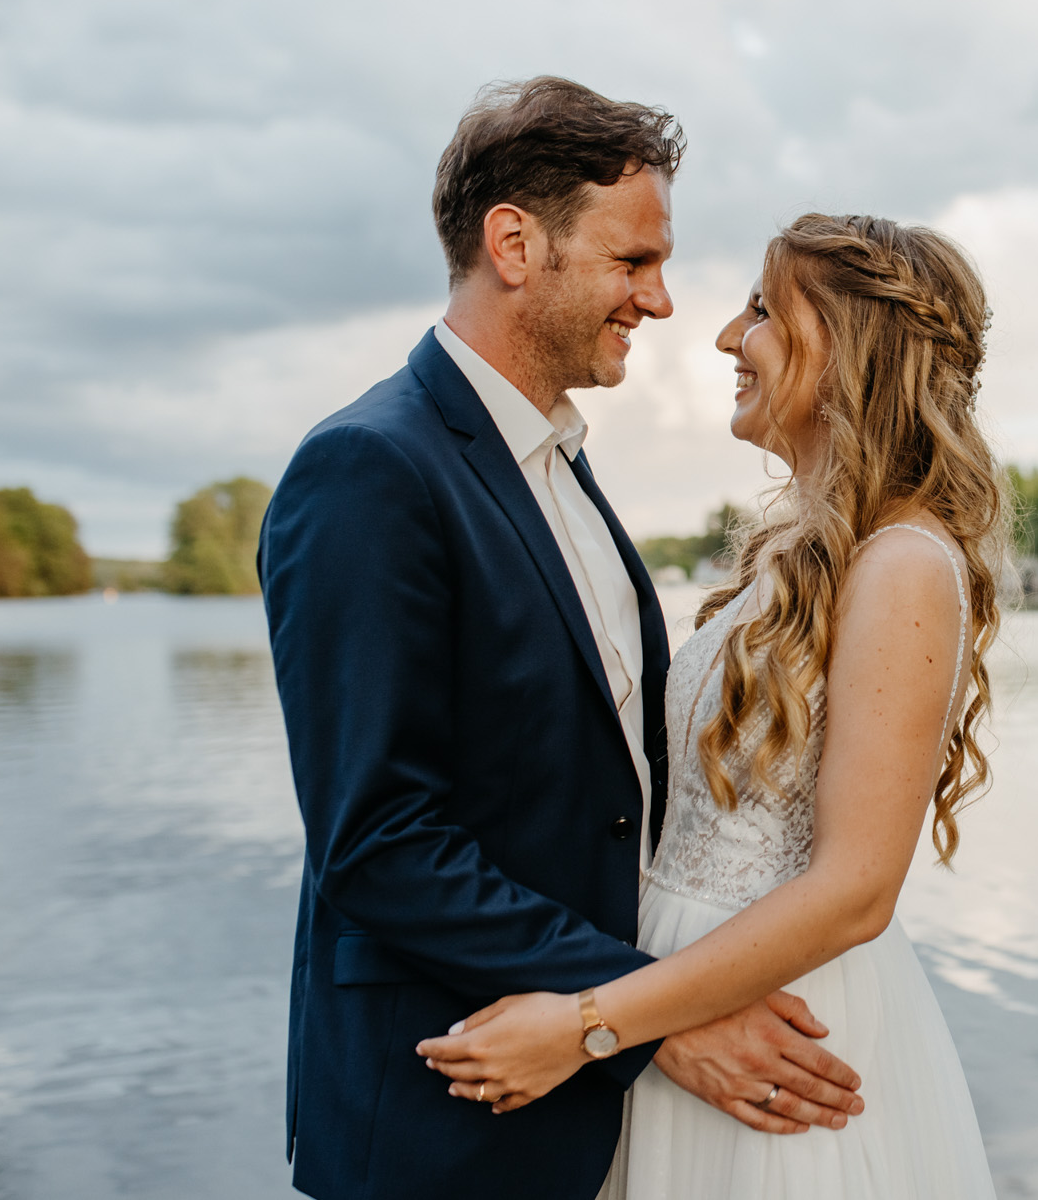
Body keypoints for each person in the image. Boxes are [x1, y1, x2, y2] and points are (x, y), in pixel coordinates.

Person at [260, 78, 865, 1200]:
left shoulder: (562, 465)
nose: (663, 301)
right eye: (632, 262)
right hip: (447, 1115)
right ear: (514, 244)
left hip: (586, 1104)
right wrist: (645, 1016)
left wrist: (629, 1017)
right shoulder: (369, 468)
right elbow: (378, 838)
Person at [415, 212, 1008, 1198]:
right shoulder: (794, 555)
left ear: (853, 345)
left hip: (781, 1023)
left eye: (764, 310)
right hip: (679, 998)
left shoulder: (903, 564)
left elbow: (856, 887)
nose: (730, 336)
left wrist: (585, 1022)